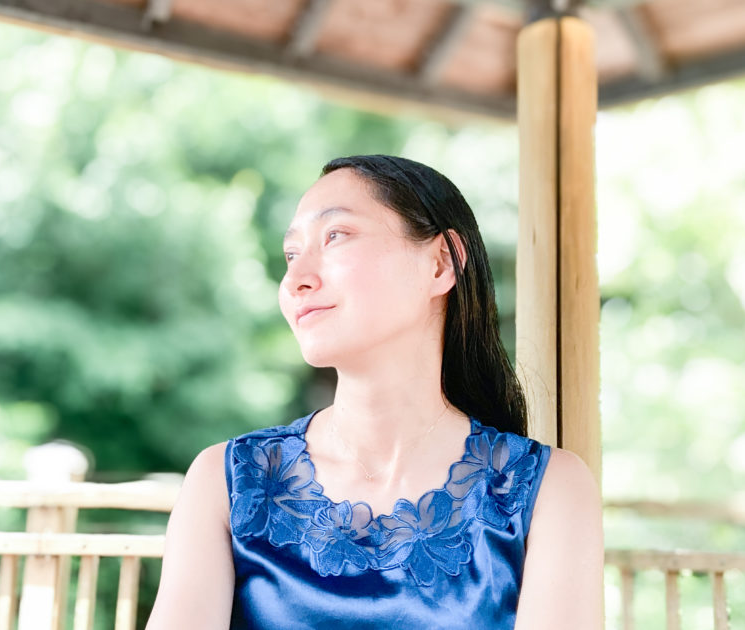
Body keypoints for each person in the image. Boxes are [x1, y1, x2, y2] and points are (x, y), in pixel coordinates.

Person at [146, 155, 603, 629]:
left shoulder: (551, 488)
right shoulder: (225, 482)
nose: (295, 279)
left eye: (335, 235)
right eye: (291, 254)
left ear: (441, 263)